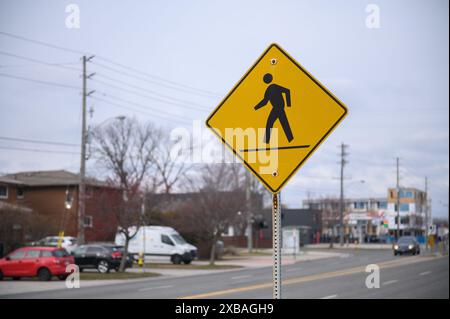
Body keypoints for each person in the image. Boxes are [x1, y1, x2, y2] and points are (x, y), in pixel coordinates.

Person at [254, 73, 294, 144]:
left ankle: (267, 141)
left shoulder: (274, 86)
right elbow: (265, 102)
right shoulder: (269, 89)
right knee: (279, 123)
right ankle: (290, 139)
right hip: (277, 108)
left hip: (279, 108)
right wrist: (255, 108)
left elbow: (287, 91)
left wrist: (289, 105)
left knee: (274, 123)